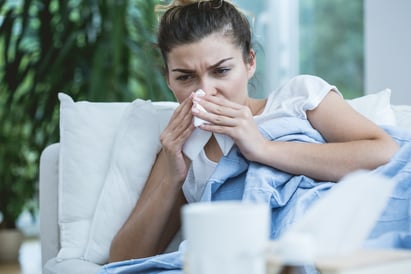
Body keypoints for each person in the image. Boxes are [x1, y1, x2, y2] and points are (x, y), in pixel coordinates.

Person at [108, 0, 399, 263]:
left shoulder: (297, 98)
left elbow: (384, 151)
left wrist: (262, 148)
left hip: (335, 238)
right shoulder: (182, 148)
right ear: (169, 80)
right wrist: (172, 178)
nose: (206, 90)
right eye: (185, 77)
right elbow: (123, 259)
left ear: (250, 62)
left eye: (221, 71)